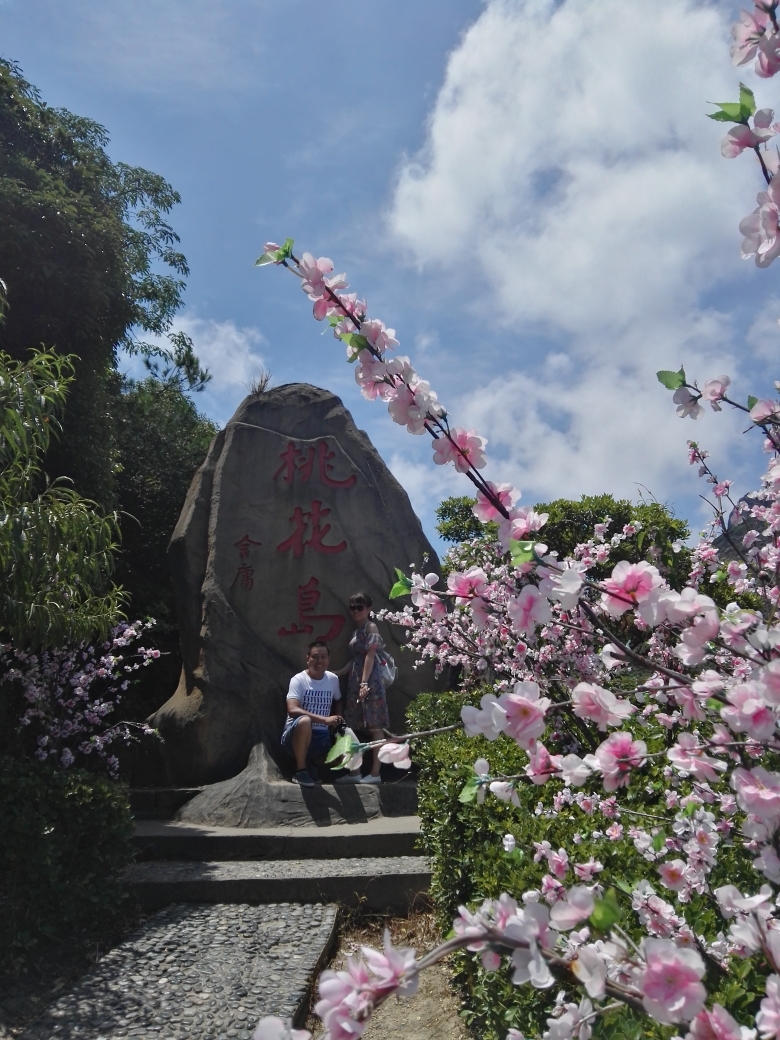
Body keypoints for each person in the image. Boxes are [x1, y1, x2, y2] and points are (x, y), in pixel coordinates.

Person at [335, 591, 389, 784]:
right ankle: (354, 772)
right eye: (352, 607)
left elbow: (370, 655)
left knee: (375, 726)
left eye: (360, 607)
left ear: (368, 608)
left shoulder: (371, 627)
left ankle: (375, 773)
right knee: (354, 726)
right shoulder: (356, 631)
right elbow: (357, 658)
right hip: (356, 681)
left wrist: (364, 683)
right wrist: (340, 673)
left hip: (370, 682)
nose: (355, 611)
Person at [280, 640, 343, 787]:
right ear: (307, 658)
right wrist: (324, 720)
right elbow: (292, 709)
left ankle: (312, 764)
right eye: (315, 657)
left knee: (345, 750)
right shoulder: (299, 680)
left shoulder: (332, 679)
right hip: (294, 736)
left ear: (328, 659)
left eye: (323, 657)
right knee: (305, 721)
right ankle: (301, 770)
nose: (319, 661)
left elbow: (339, 700)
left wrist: (339, 720)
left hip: (321, 737)